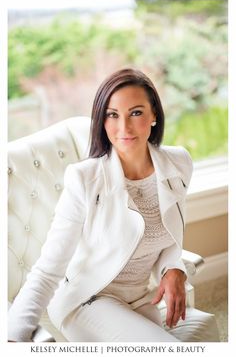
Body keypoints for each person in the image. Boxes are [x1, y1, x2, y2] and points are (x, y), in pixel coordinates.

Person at [8, 68, 219, 342]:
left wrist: (174, 268)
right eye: (112, 115)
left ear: (154, 114)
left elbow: (167, 238)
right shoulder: (84, 179)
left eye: (136, 112)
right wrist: (13, 338)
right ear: (102, 120)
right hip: (87, 300)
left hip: (141, 299)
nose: (124, 128)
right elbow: (48, 269)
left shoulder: (178, 164)